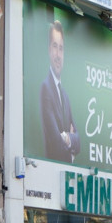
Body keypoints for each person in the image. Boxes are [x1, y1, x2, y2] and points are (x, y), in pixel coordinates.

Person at [41, 20, 81, 163]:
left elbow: (79, 142)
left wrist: (66, 138)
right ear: (49, 50)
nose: (58, 55)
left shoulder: (65, 96)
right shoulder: (46, 88)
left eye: (61, 48)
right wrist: (70, 143)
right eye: (55, 47)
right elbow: (55, 143)